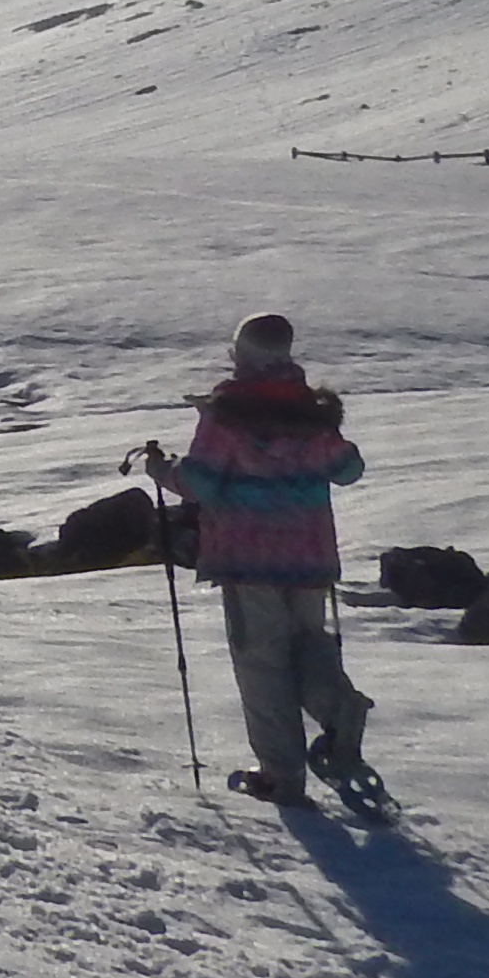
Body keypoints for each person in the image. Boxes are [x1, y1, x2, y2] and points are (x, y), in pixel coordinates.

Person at [155, 311, 372, 809]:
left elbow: (201, 483)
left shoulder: (228, 412)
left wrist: (162, 468)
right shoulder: (311, 411)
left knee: (263, 663)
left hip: (247, 557)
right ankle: (340, 710)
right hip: (310, 558)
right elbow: (348, 470)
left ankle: (281, 775)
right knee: (308, 647)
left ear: (243, 354)